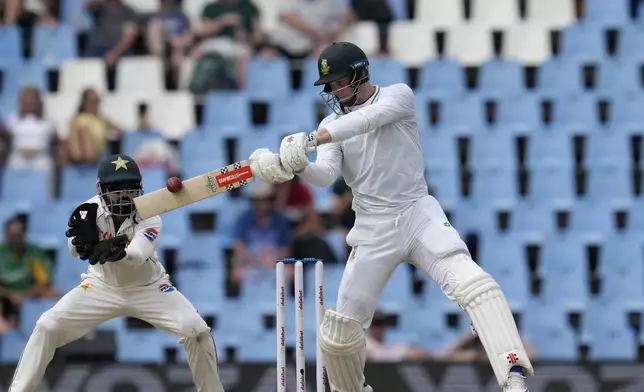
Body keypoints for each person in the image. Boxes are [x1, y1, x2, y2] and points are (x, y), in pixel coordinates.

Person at [248, 42, 533, 392]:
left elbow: (366, 121)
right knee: (338, 335)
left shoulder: (397, 97)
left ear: (359, 73)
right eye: (329, 85)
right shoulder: (330, 123)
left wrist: (310, 139)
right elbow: (325, 174)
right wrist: (297, 166)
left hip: (417, 214)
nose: (333, 91)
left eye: (338, 81)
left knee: (476, 286)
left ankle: (514, 377)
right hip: (372, 227)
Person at [8, 154, 225, 392]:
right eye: (116, 188)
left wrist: (116, 252)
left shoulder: (151, 214)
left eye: (130, 188)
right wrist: (83, 244)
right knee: (47, 326)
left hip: (149, 288)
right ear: (101, 189)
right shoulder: (87, 211)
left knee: (197, 331)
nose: (124, 195)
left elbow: (138, 255)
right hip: (101, 287)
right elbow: (73, 249)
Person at [0, 216, 58, 330]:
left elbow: (43, 281)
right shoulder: (1, 254)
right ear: (6, 236)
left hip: (32, 292)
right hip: (5, 296)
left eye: (18, 235)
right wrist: (11, 296)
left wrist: (24, 296)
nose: (15, 240)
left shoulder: (34, 253)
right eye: (12, 236)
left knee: (55, 295)